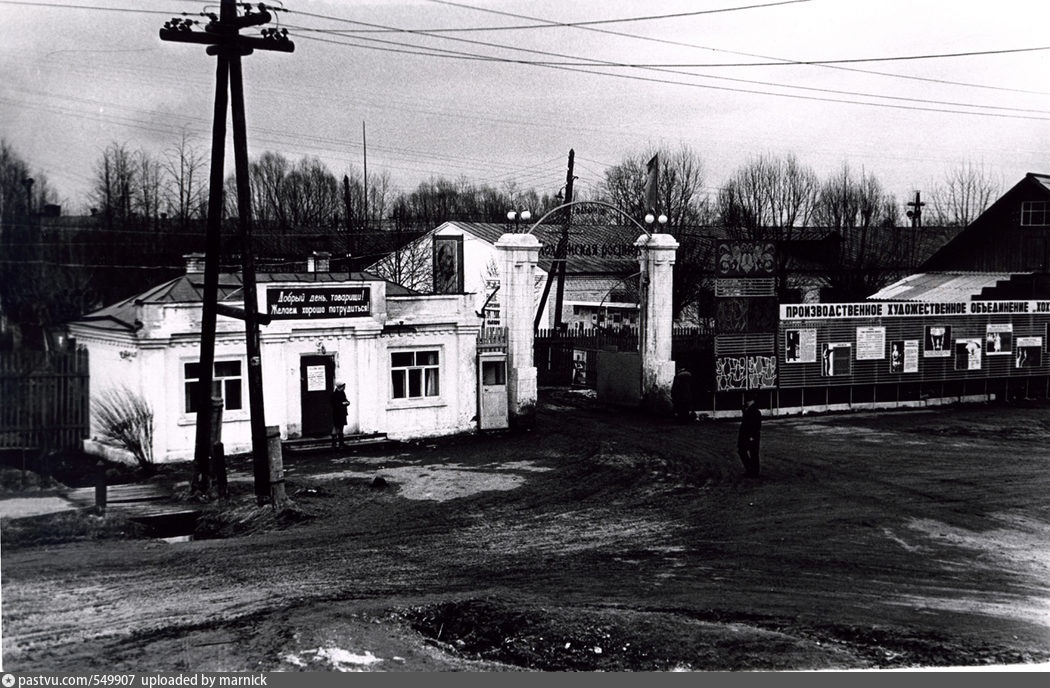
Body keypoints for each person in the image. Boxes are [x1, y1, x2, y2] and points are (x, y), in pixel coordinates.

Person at [737, 393, 762, 478]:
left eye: (749, 400)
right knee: (751, 453)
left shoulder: (754, 411)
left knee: (750, 453)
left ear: (752, 401)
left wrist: (752, 436)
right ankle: (752, 471)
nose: (747, 402)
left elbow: (756, 425)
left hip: (750, 436)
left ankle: (753, 471)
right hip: (749, 435)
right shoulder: (751, 410)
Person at [331, 381, 350, 448]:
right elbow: (335, 404)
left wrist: (347, 402)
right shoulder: (335, 394)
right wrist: (343, 403)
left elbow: (346, 400)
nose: (344, 388)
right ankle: (334, 444)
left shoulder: (342, 393)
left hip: (342, 413)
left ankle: (341, 443)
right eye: (343, 386)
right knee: (336, 428)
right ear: (340, 387)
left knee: (341, 428)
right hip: (337, 413)